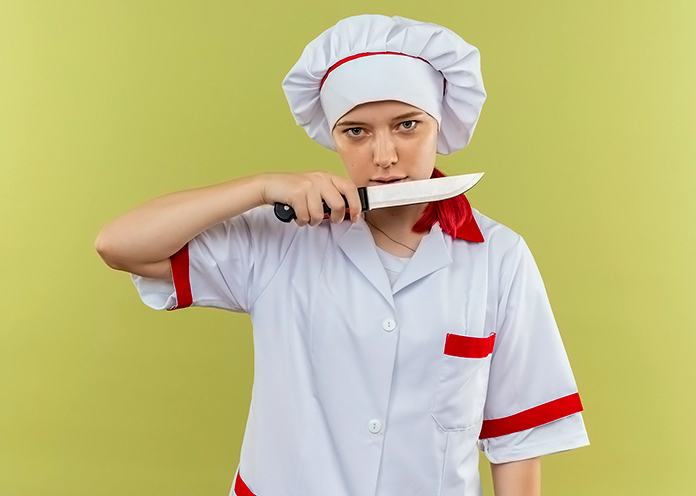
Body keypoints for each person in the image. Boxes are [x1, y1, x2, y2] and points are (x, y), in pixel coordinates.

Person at [96, 14, 589, 496]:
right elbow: (118, 245)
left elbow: (518, 440)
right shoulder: (279, 239)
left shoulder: (499, 257)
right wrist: (260, 187)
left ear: (440, 126)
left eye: (407, 125)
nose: (384, 156)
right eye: (356, 131)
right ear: (332, 136)